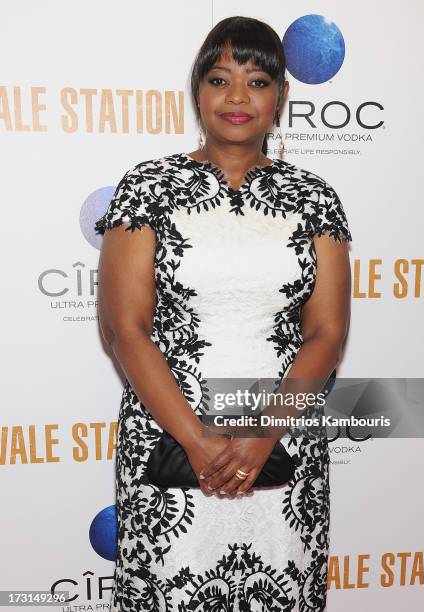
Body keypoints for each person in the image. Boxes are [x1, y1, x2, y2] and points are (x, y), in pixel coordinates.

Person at [94, 15, 352, 612]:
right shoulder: (147, 187)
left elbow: (327, 333)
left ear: (281, 98)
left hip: (283, 439)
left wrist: (263, 436)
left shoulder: (316, 198)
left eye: (258, 81)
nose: (237, 96)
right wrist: (199, 442)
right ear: (198, 92)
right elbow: (124, 331)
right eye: (219, 78)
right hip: (168, 436)